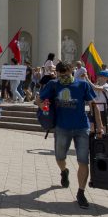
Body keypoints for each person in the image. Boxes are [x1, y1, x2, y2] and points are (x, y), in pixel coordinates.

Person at [39, 61, 104, 209]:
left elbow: (94, 105)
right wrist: (41, 105)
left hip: (82, 128)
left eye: (66, 75)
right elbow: (39, 99)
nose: (64, 79)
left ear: (72, 72)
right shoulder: (53, 84)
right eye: (61, 76)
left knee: (83, 160)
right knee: (59, 157)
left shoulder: (82, 85)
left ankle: (81, 192)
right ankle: (64, 171)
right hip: (62, 128)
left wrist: (99, 127)